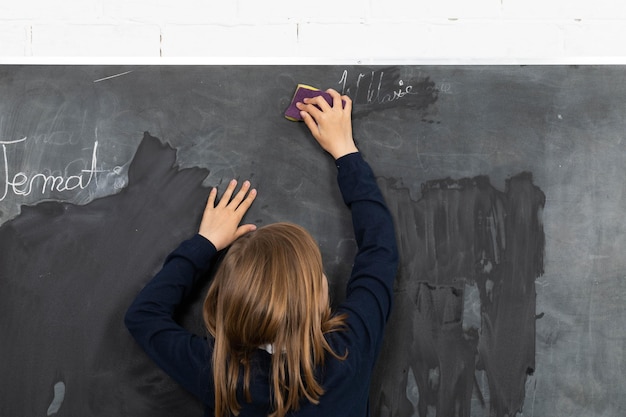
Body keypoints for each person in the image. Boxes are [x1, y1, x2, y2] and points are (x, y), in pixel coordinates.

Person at [125, 89, 399, 417]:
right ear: (315, 296)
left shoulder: (221, 375)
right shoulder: (348, 353)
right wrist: (346, 152)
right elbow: (379, 250)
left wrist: (206, 243)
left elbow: (143, 316)